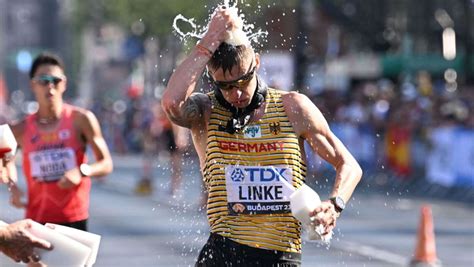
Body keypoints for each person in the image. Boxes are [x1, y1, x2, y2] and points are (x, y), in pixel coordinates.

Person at [161, 7, 363, 266]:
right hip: (223, 253)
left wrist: (334, 205)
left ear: (256, 63)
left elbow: (349, 165)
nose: (236, 94)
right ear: (212, 77)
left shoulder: (293, 108)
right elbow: (172, 102)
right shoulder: (206, 111)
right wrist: (210, 39)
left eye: (243, 81)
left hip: (281, 255)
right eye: (225, 86)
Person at [3, 52, 113, 233]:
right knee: (37, 263)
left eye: (56, 80)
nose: (50, 86)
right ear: (33, 85)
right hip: (36, 220)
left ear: (65, 84)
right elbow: (4, 160)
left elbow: (106, 163)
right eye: (43, 80)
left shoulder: (81, 120)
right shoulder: (20, 129)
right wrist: (13, 187)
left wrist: (82, 171)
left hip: (74, 219)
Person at [0, 150, 52, 264]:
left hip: (72, 216)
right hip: (37, 216)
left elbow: (9, 156)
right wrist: (5, 235)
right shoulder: (21, 131)